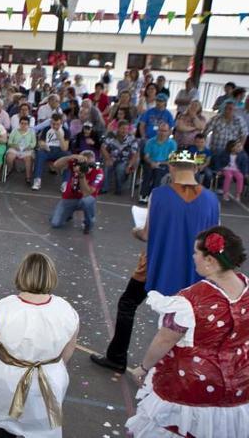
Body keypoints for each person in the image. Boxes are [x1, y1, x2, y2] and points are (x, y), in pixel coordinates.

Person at [91, 150, 219, 372]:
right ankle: (182, 365)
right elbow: (216, 239)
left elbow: (147, 235)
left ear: (171, 167)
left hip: (157, 265)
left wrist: (136, 231)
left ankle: (117, 357)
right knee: (186, 318)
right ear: (196, 168)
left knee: (128, 304)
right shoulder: (211, 200)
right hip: (194, 272)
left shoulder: (159, 195)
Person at [126, 226, 249, 437]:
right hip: (238, 387)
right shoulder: (246, 287)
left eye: (196, 253)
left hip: (191, 388)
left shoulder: (190, 301)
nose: (193, 257)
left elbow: (165, 339)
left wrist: (144, 367)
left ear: (210, 260)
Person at [0, 253, 79, 438]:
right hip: (50, 378)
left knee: (5, 427)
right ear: (51, 276)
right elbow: (68, 350)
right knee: (40, 427)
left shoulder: (2, 308)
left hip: (8, 378)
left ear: (21, 274)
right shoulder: (67, 310)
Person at [50, 151, 105, 234]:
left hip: (85, 198)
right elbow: (56, 165)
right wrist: (71, 157)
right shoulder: (75, 163)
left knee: (87, 201)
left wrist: (81, 175)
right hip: (70, 197)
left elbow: (86, 193)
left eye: (89, 164)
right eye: (84, 164)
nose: (86, 167)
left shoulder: (98, 172)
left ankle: (88, 223)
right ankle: (69, 213)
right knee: (55, 223)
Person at [139, 123, 177, 203]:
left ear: (168, 132)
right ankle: (143, 195)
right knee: (148, 173)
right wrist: (152, 163)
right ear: (157, 131)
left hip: (164, 164)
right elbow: (146, 156)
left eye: (164, 131)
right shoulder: (150, 142)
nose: (162, 133)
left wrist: (159, 163)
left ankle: (153, 196)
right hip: (150, 162)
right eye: (160, 130)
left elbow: (172, 159)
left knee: (158, 174)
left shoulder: (172, 144)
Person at [31, 114, 71, 191]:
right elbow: (40, 142)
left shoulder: (65, 131)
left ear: (61, 123)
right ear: (50, 123)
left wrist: (60, 138)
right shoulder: (46, 129)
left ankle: (65, 183)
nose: (55, 126)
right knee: (39, 154)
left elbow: (65, 148)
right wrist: (43, 145)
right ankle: (37, 180)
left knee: (69, 157)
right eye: (53, 124)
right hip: (48, 149)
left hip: (60, 150)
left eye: (58, 124)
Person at [101, 121, 139, 195]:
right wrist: (108, 158)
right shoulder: (111, 135)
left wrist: (129, 165)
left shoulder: (131, 138)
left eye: (126, 129)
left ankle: (119, 188)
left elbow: (135, 154)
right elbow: (103, 148)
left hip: (125, 160)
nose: (124, 131)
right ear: (118, 128)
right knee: (106, 166)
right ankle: (105, 188)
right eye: (122, 128)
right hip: (112, 158)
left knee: (120, 169)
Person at [6, 116, 37, 184]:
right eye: (22, 123)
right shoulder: (14, 130)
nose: (23, 125)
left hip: (27, 150)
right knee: (10, 156)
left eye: (25, 124)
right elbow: (9, 142)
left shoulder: (31, 132)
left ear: (28, 125)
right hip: (15, 148)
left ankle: (28, 177)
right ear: (19, 124)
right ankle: (9, 169)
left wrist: (29, 147)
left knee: (28, 158)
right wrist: (14, 145)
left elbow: (34, 143)